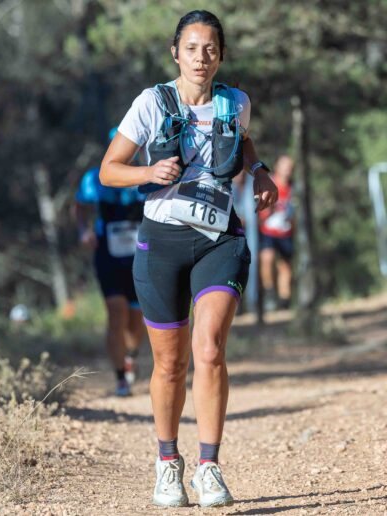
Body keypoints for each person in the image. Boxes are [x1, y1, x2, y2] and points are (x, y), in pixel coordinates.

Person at [100, 10, 278, 508]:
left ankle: (209, 467)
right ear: (175, 53)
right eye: (192, 48)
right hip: (162, 242)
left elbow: (243, 142)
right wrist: (148, 172)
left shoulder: (235, 102)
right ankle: (167, 462)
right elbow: (109, 170)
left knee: (210, 348)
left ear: (221, 55)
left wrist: (259, 170)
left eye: (210, 49)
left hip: (220, 240)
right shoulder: (151, 104)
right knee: (170, 363)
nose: (202, 58)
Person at [75, 131, 145, 396]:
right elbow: (79, 206)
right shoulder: (94, 178)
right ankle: (120, 378)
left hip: (140, 254)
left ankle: (131, 356)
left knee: (136, 320)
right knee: (116, 313)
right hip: (107, 253)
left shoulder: (147, 175)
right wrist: (84, 231)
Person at [258, 155, 294, 310]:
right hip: (268, 230)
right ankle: (269, 292)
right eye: (285, 166)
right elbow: (261, 208)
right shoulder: (270, 183)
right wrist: (267, 211)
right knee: (267, 258)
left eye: (290, 167)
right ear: (277, 167)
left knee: (285, 267)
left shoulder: (293, 187)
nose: (287, 170)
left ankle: (285, 302)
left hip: (285, 232)